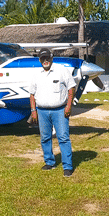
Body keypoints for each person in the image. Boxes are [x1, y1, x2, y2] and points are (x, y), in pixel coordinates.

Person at [28, 48, 76, 177]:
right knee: (45, 138)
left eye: (47, 58)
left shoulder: (62, 70)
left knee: (63, 138)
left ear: (52, 58)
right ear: (39, 60)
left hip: (60, 110)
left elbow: (72, 88)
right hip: (42, 111)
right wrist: (33, 111)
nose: (45, 61)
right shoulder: (36, 75)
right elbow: (32, 95)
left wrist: (69, 106)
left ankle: (67, 166)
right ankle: (49, 162)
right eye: (42, 58)